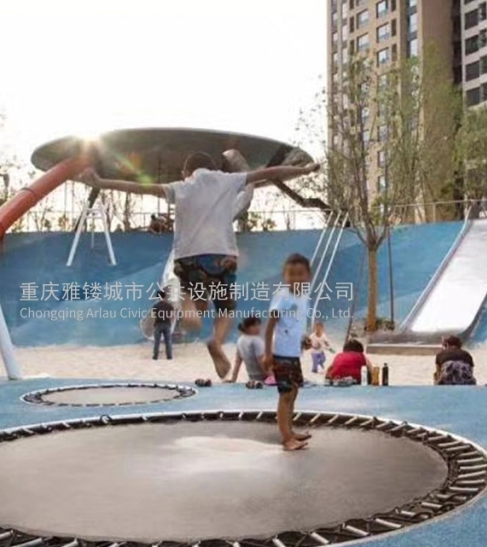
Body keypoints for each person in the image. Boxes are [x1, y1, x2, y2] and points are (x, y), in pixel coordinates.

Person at [80, 154, 320, 379]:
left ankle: (189, 312)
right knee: (225, 309)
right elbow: (270, 172)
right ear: (214, 169)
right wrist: (304, 169)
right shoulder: (227, 180)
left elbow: (140, 188)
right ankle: (216, 340)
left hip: (189, 258)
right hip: (222, 257)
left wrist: (101, 182)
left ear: (186, 171)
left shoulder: (181, 187)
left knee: (196, 305)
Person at [264, 253, 313, 451]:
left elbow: (295, 325)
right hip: (281, 354)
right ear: (285, 276)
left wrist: (304, 339)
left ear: (308, 275)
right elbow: (270, 326)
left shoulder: (304, 297)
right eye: (291, 274)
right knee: (285, 395)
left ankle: (290, 431)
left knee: (293, 392)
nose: (295, 278)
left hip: (294, 354)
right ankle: (286, 438)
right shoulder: (282, 296)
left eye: (300, 274)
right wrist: (268, 354)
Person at [225, 316, 268, 384]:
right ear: (249, 327)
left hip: (252, 377)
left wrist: (233, 379)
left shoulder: (240, 340)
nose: (258, 328)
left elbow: (238, 362)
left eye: (259, 326)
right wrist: (268, 376)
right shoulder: (256, 341)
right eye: (256, 326)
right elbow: (261, 361)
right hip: (263, 377)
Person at [151, 290, 174, 360]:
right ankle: (169, 356)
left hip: (158, 324)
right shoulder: (169, 306)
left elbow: (153, 316)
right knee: (168, 341)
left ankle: (155, 356)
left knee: (157, 342)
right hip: (167, 324)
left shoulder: (155, 306)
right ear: (164, 296)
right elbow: (172, 316)